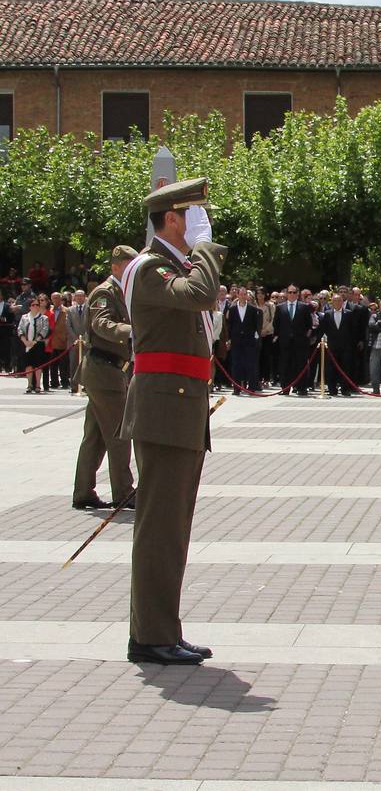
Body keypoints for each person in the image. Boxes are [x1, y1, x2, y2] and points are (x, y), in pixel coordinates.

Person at [119, 176, 226, 666]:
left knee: (173, 526)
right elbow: (201, 294)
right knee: (160, 526)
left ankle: (163, 629)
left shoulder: (169, 266)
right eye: (193, 215)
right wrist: (206, 250)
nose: (199, 224)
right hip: (164, 409)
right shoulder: (149, 268)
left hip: (179, 407)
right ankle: (150, 635)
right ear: (172, 218)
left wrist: (198, 252)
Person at [72, 246, 138, 511]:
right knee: (120, 434)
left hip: (111, 371)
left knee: (96, 436)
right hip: (103, 371)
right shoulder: (104, 292)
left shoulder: (124, 293)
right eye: (128, 266)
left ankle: (83, 491)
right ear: (115, 267)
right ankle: (124, 491)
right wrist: (131, 331)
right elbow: (101, 324)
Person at [274, 285, 314, 396]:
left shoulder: (304, 307)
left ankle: (301, 388)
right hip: (285, 342)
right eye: (290, 292)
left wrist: (305, 337)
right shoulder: (280, 307)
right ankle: (285, 388)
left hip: (300, 342)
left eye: (294, 292)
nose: (291, 294)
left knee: (300, 365)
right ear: (286, 293)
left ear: (297, 294)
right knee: (284, 365)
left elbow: (309, 325)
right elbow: (276, 324)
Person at [226, 286, 261, 394]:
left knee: (250, 363)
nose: (242, 296)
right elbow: (229, 325)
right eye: (240, 294)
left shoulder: (253, 309)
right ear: (237, 295)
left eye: (244, 294)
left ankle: (251, 387)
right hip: (236, 341)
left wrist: (255, 337)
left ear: (247, 296)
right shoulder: (232, 309)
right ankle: (236, 388)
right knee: (236, 364)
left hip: (249, 340)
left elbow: (256, 325)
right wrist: (229, 339)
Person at [319, 293, 354, 397]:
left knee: (345, 368)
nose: (337, 303)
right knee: (331, 369)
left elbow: (353, 330)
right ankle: (332, 389)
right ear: (332, 302)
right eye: (335, 301)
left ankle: (345, 389)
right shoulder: (327, 314)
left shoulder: (349, 313)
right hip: (332, 346)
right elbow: (323, 329)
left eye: (339, 301)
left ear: (342, 302)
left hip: (345, 346)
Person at [17, 296, 49, 394]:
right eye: (33, 305)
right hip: (26, 344)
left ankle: (38, 385)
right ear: (29, 307)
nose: (35, 306)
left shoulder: (44, 318)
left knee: (38, 365)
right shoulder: (24, 317)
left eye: (37, 305)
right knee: (28, 365)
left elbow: (45, 330)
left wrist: (35, 341)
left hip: (38, 344)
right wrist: (25, 341)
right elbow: (20, 329)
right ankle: (30, 384)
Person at [65, 289, 88, 393]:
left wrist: (84, 338)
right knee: (73, 364)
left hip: (86, 341)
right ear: (74, 298)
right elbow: (68, 325)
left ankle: (86, 386)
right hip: (73, 343)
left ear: (85, 297)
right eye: (77, 296)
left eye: (81, 296)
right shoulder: (70, 310)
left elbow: (90, 325)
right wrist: (76, 338)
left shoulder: (89, 309)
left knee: (86, 364)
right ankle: (74, 386)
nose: (79, 298)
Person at [256, 288, 276, 386]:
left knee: (266, 356)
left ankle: (267, 378)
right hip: (256, 334)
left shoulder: (270, 306)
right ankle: (258, 378)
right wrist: (258, 331)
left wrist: (266, 330)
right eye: (258, 293)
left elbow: (273, 319)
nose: (260, 295)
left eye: (261, 293)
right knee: (258, 356)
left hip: (267, 334)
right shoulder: (254, 305)